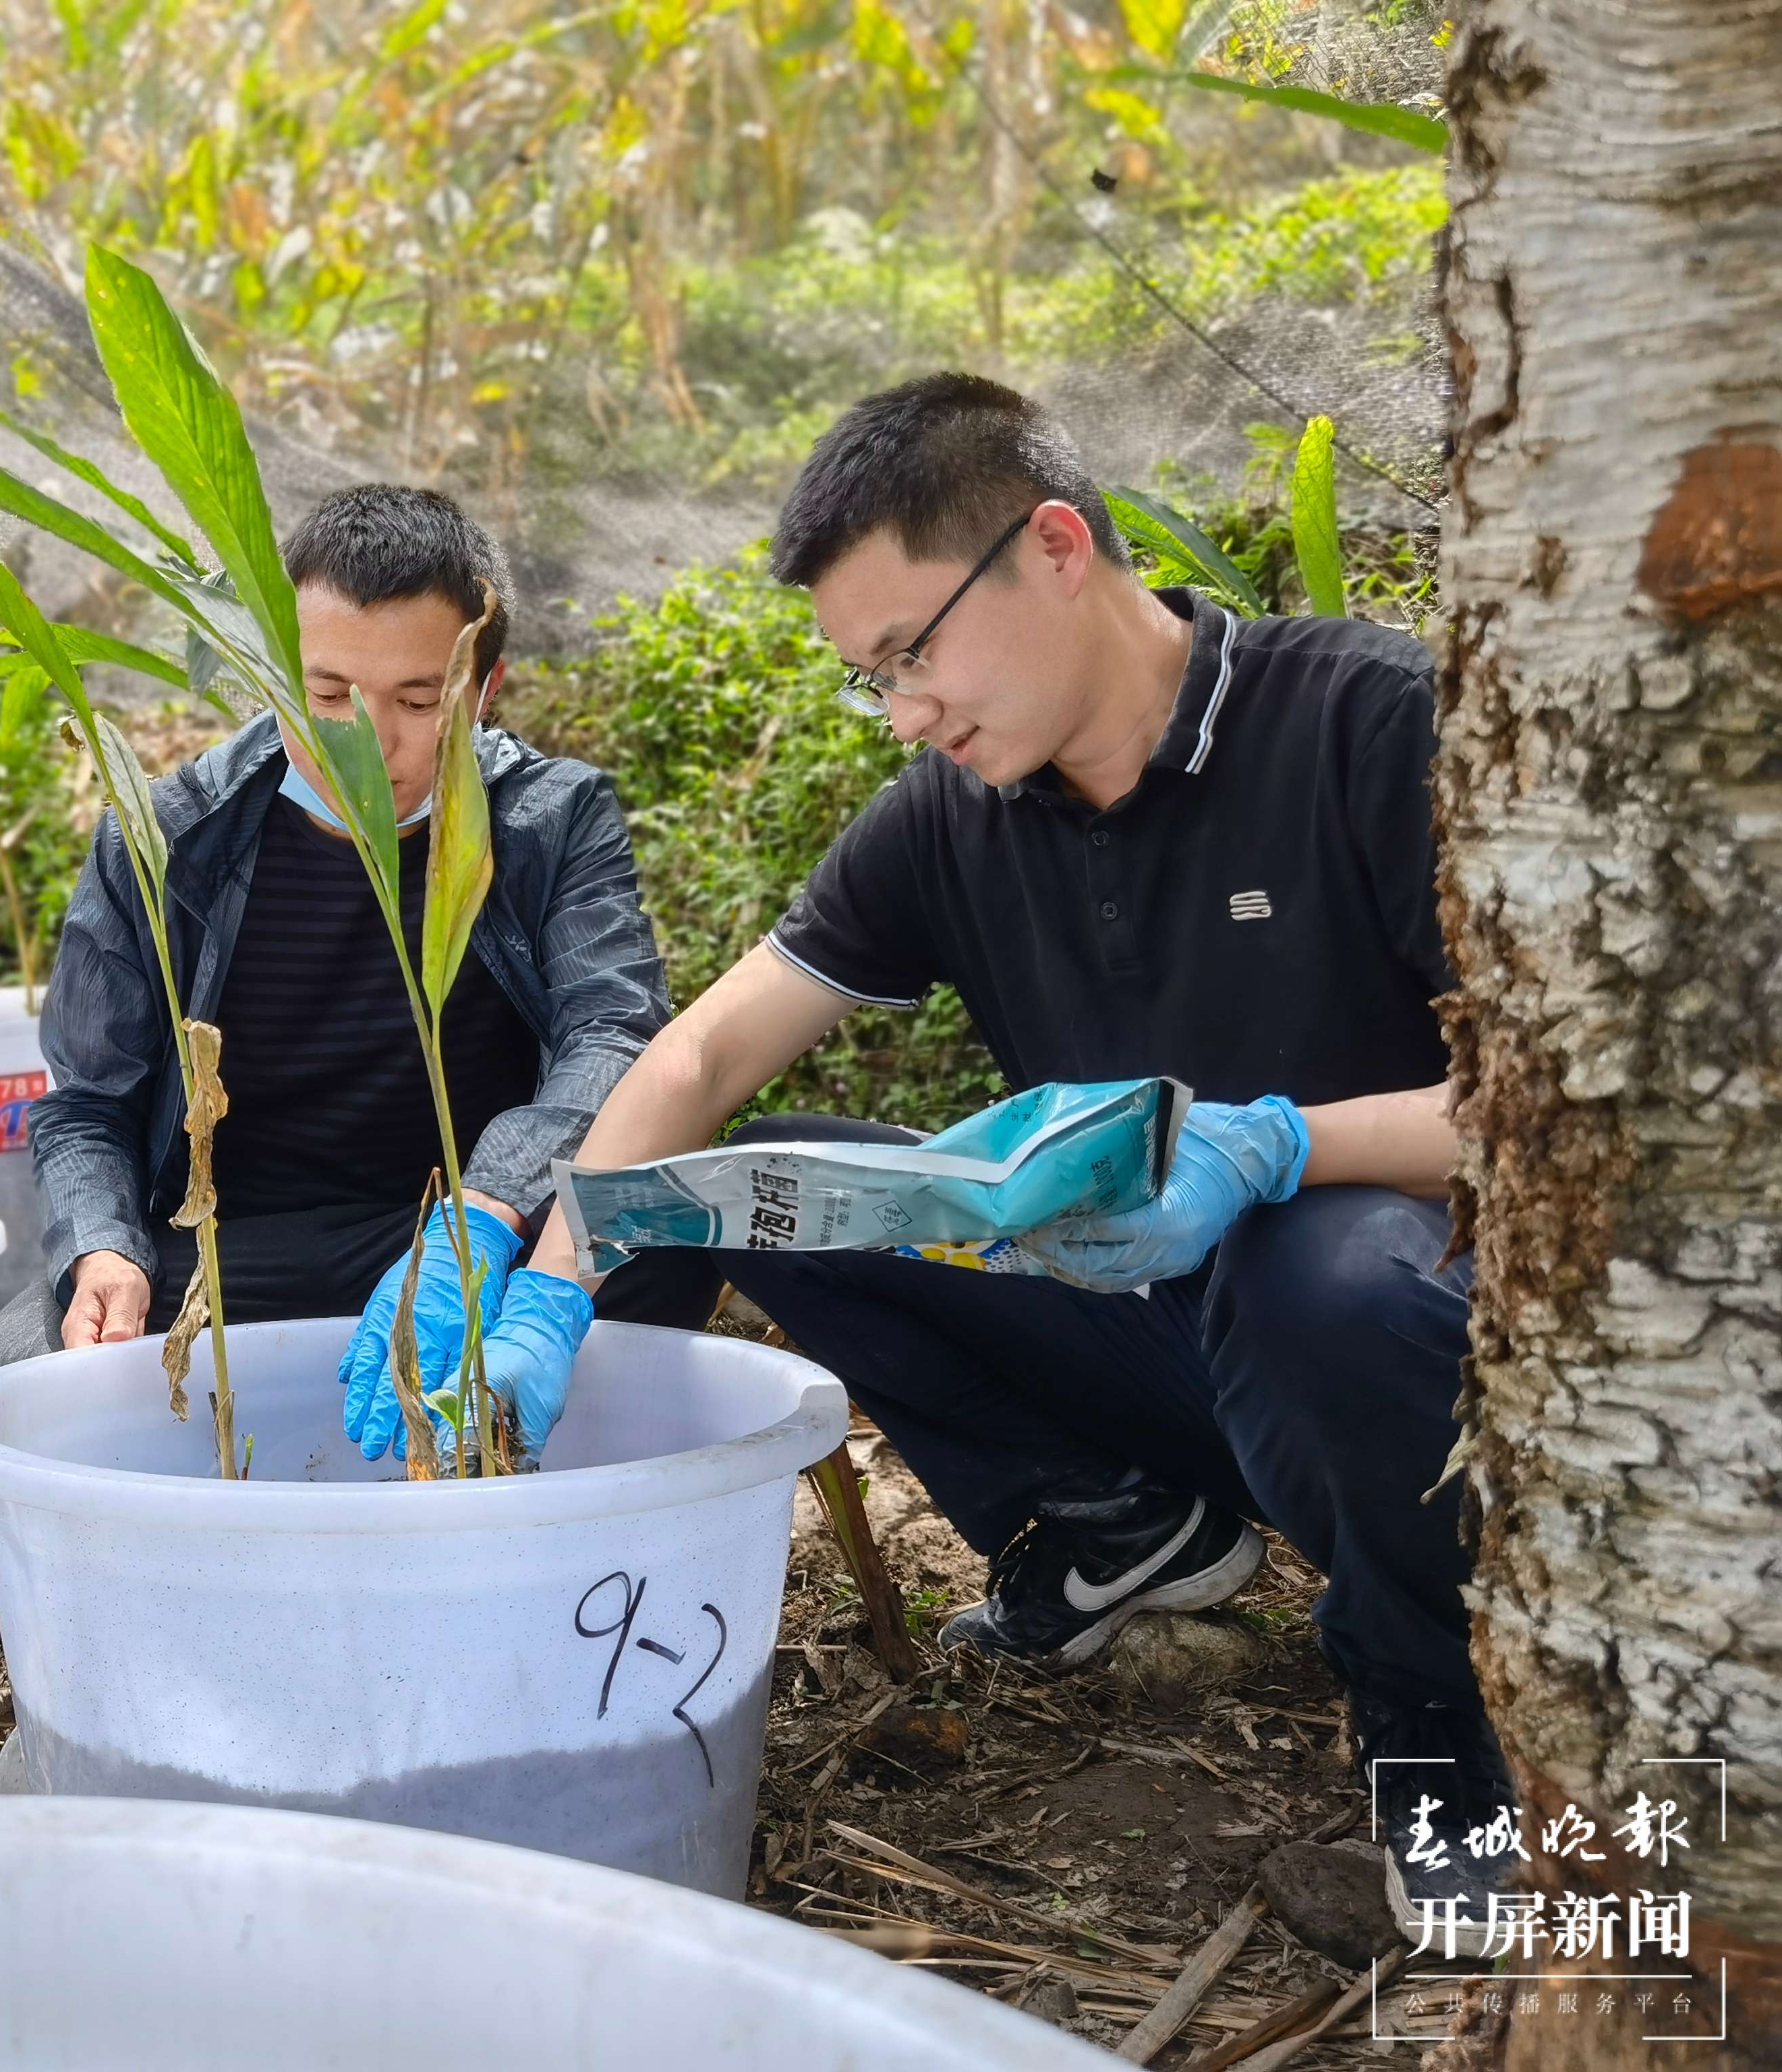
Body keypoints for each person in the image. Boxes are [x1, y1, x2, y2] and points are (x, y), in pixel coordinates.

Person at [471, 373, 1510, 1932]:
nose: (905, 713)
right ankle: (1111, 1522)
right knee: (746, 1180)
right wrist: (549, 1286)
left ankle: (1438, 1727)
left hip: (1409, 1367)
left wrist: (1280, 1146)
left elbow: (1558, 1107)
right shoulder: (951, 820)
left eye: (913, 654)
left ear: (1051, 547)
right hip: (1166, 1345)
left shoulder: (1360, 720)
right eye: (871, 680)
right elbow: (700, 1053)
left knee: (1315, 1264)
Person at [0, 484, 717, 1405]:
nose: (370, 742)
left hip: (471, 1232)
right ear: (274, 672)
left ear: (486, 688)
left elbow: (613, 1032)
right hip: (229, 1252)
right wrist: (105, 1247)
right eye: (326, 694)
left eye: (417, 699)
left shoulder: (550, 820)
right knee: (9, 1377)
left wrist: (483, 1215)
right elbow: (86, 1104)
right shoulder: (166, 840)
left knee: (662, 1240)